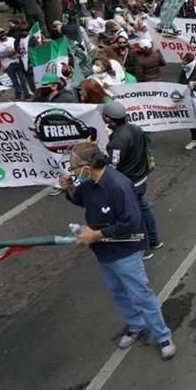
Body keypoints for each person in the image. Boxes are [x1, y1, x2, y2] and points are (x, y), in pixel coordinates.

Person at [58, 143, 175, 359]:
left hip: (125, 252)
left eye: (73, 166)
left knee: (141, 294)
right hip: (104, 252)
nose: (71, 170)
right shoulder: (90, 182)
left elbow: (131, 222)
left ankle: (163, 336)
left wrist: (95, 235)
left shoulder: (118, 186)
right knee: (118, 292)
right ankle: (135, 324)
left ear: (88, 165)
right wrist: (68, 187)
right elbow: (79, 199)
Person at [102, 101, 164, 259]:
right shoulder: (136, 129)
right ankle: (154, 239)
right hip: (140, 177)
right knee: (143, 209)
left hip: (129, 183)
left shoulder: (117, 141)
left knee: (133, 216)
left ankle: (144, 248)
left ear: (109, 119)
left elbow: (113, 165)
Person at [0, 28, 29, 99]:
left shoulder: (12, 39)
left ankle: (26, 94)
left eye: (3, 33)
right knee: (14, 81)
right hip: (8, 65)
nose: (2, 35)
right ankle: (18, 93)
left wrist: (17, 52)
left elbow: (19, 47)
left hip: (18, 62)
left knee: (23, 79)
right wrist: (8, 52)